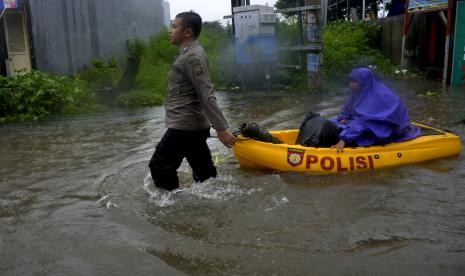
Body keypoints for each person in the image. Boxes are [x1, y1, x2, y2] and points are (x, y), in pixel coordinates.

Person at [149, 11, 236, 191]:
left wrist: (221, 127)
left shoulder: (193, 57)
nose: (170, 31)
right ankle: (216, 200)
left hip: (185, 125)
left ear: (187, 32)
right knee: (205, 175)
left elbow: (206, 93)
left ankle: (171, 208)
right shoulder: (187, 54)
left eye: (174, 26)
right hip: (191, 125)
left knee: (159, 165)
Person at [331, 67, 421, 152]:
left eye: (354, 82)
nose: (350, 84)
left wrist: (343, 139)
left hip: (387, 127)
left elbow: (366, 121)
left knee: (361, 136)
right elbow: (346, 110)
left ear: (364, 83)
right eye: (350, 81)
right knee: (332, 122)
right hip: (367, 123)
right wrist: (343, 117)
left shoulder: (377, 97)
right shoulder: (358, 92)